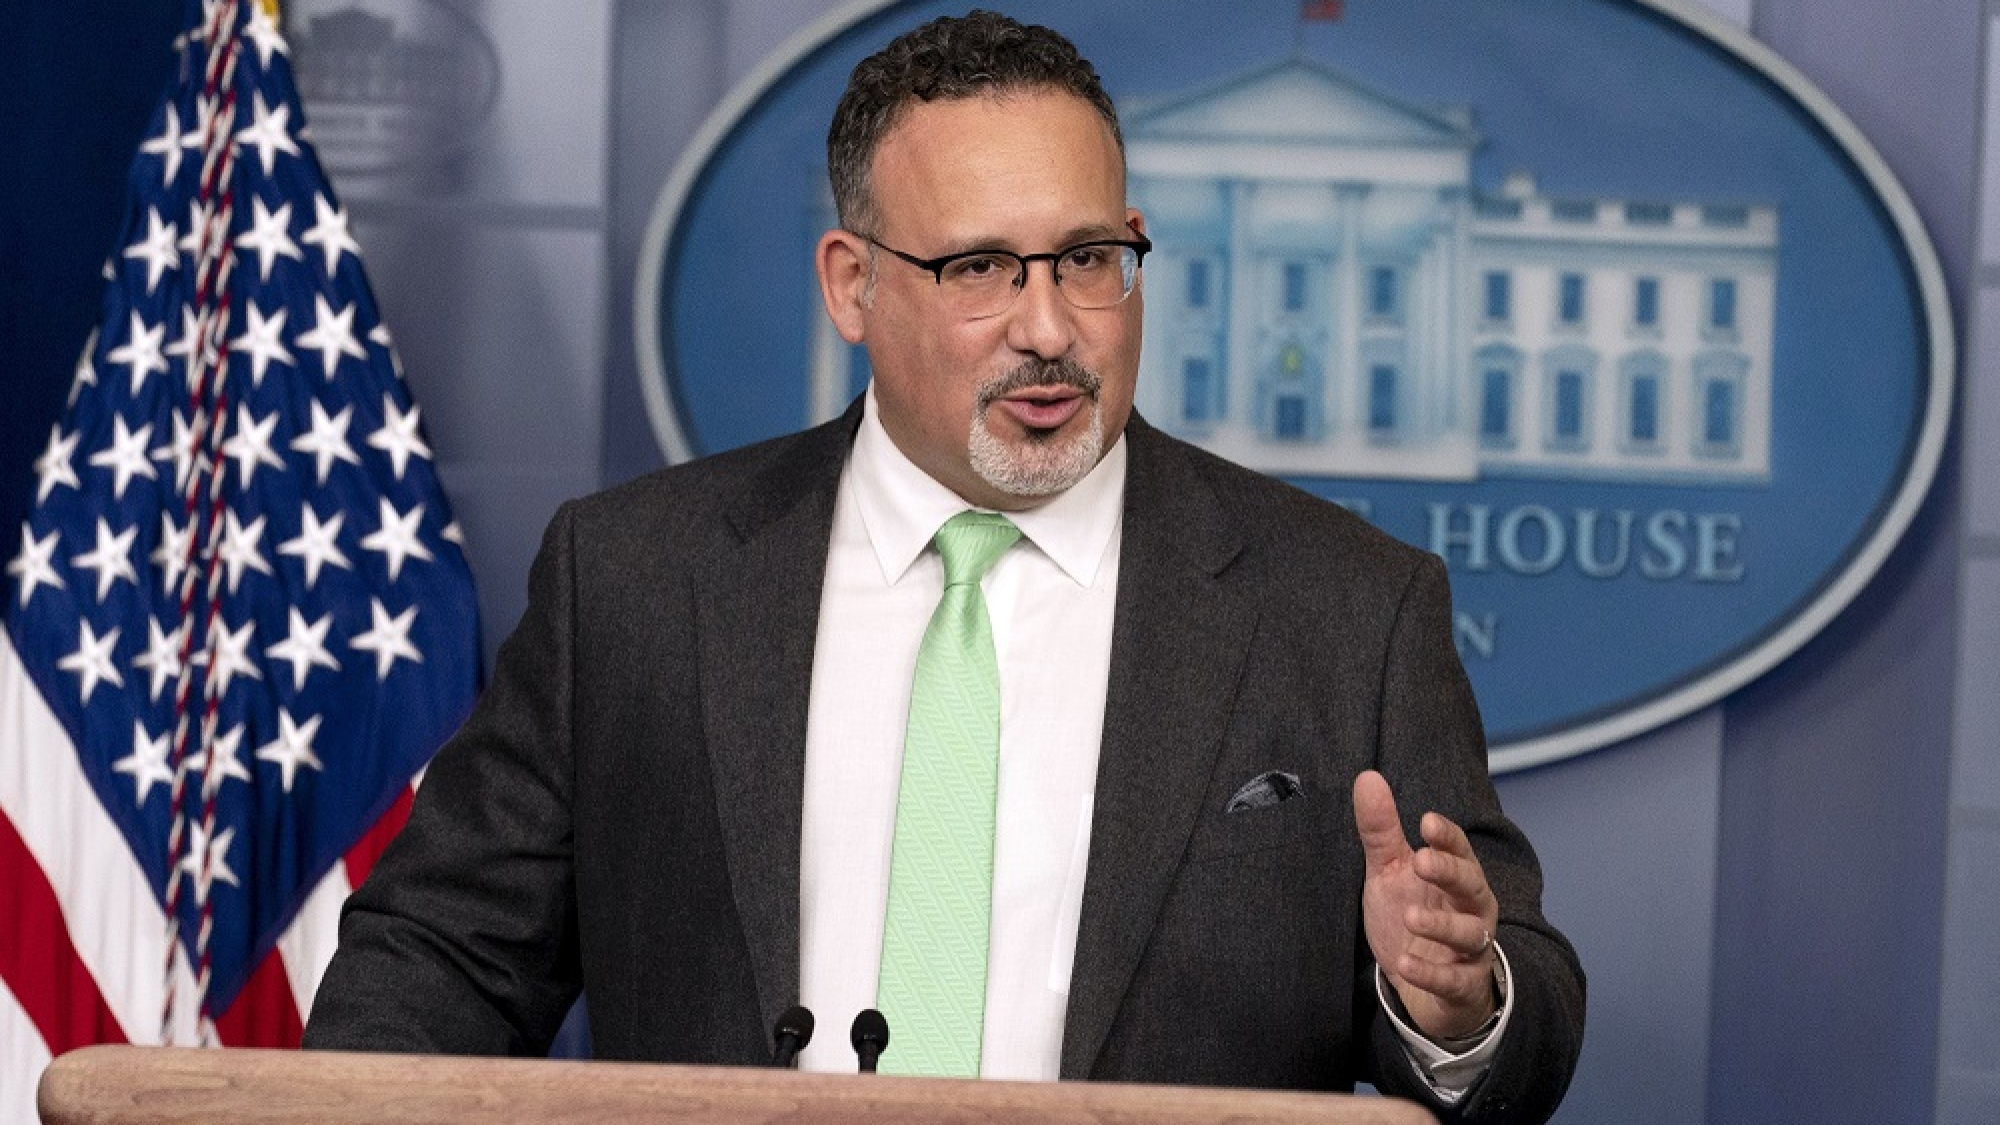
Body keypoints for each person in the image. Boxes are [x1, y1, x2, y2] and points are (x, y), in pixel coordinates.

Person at [305, 10, 1584, 1122]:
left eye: (1087, 260)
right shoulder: (637, 578)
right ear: (850, 285)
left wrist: (1457, 1003)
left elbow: (1516, 1027)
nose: (1047, 327)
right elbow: (441, 965)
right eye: (978, 267)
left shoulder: (1346, 609)